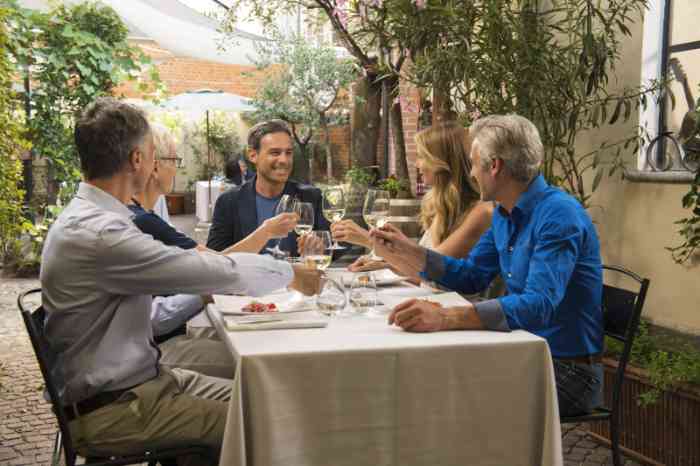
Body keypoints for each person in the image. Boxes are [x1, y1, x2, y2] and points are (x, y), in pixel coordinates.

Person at [40, 97, 321, 463]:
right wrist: (291, 274)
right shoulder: (99, 233)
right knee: (272, 424)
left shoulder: (94, 218)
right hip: (116, 409)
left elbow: (199, 265)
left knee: (273, 400)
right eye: (155, 153)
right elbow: (205, 270)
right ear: (138, 160)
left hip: (146, 384)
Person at [372, 114, 604, 417]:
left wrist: (445, 317)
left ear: (494, 166)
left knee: (449, 399)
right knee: (426, 381)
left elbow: (539, 304)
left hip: (566, 371)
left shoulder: (558, 215)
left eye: (473, 163)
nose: (470, 172)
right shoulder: (503, 215)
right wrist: (411, 252)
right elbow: (471, 276)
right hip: (523, 351)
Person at [332, 122, 493, 275]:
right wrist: (386, 265)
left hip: (456, 303)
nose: (417, 164)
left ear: (442, 163)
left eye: (422, 156)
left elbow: (437, 273)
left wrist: (370, 240)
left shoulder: (480, 212)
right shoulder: (443, 205)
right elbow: (423, 270)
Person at [207, 119, 331, 257]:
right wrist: (263, 234)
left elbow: (335, 243)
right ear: (253, 155)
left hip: (295, 277)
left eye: (288, 152)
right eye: (275, 153)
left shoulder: (312, 197)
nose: (284, 160)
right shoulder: (229, 201)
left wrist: (320, 246)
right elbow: (214, 260)